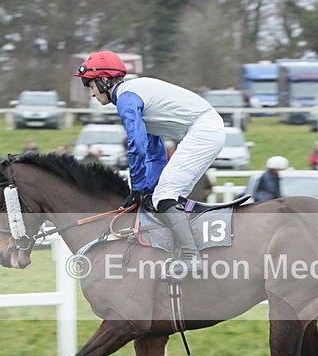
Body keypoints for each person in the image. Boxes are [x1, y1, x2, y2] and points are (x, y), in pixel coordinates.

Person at [74, 50, 225, 274]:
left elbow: (136, 145)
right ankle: (185, 249)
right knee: (162, 197)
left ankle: (193, 258)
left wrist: (136, 188)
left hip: (203, 131)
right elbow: (155, 152)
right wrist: (146, 190)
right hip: (206, 130)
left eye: (91, 86)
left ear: (104, 80)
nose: (92, 94)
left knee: (165, 196)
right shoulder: (135, 94)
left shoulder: (126, 98)